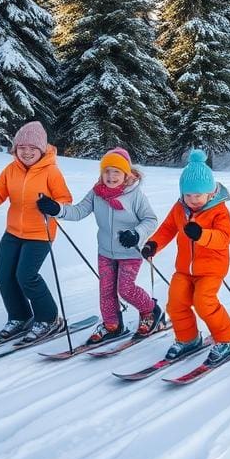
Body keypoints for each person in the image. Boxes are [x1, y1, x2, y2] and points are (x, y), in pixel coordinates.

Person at [37, 147, 163, 345]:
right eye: (107, 171)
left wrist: (136, 234)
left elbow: (150, 219)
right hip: (105, 251)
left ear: (126, 174)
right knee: (106, 290)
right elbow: (78, 212)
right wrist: (56, 209)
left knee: (126, 289)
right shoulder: (96, 194)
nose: (111, 176)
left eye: (116, 172)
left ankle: (150, 311)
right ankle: (112, 325)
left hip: (130, 251)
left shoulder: (135, 195)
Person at [0, 121, 72, 343]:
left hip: (40, 234)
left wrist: (53, 206)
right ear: (15, 148)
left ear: (41, 150)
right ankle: (20, 317)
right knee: (3, 275)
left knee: (26, 276)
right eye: (22, 148)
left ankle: (49, 318)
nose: (26, 153)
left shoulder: (51, 172)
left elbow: (65, 199)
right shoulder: (11, 169)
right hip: (13, 232)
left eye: (32, 148)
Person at [140, 149, 230, 366]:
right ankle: (188, 339)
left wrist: (201, 234)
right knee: (176, 303)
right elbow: (167, 229)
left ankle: (228, 339)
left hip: (212, 269)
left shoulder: (219, 211)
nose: (193, 200)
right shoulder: (180, 208)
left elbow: (224, 238)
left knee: (204, 302)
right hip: (185, 269)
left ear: (211, 193)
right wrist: (153, 245)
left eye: (198, 195)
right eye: (188, 195)